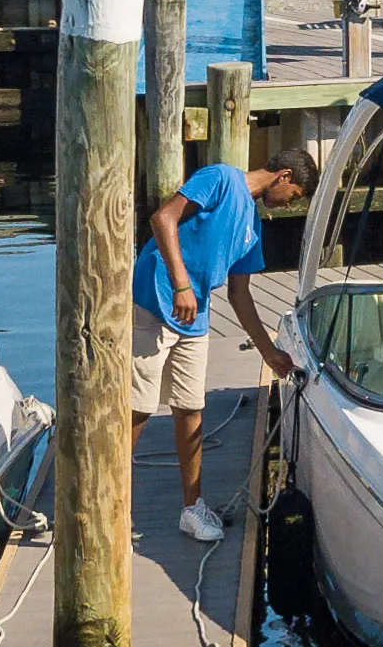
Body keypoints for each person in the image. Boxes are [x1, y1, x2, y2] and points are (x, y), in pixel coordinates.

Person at [132, 144, 319, 542]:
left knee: (190, 409)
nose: (289, 206)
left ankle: (192, 509)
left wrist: (269, 352)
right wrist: (181, 283)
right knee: (138, 409)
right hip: (154, 298)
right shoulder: (220, 178)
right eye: (295, 197)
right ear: (284, 177)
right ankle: (110, 505)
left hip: (194, 315)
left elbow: (240, 294)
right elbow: (162, 218)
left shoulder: (253, 227)